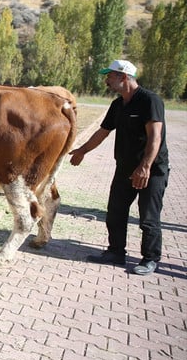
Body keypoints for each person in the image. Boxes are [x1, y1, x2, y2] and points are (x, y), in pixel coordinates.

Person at [69, 59, 169, 276]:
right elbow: (103, 132)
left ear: (124, 77)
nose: (107, 80)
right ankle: (115, 252)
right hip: (124, 168)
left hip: (151, 171)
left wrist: (145, 167)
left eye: (110, 76)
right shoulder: (117, 104)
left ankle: (150, 259)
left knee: (148, 218)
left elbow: (155, 137)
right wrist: (82, 150)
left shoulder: (150, 101)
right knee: (115, 212)